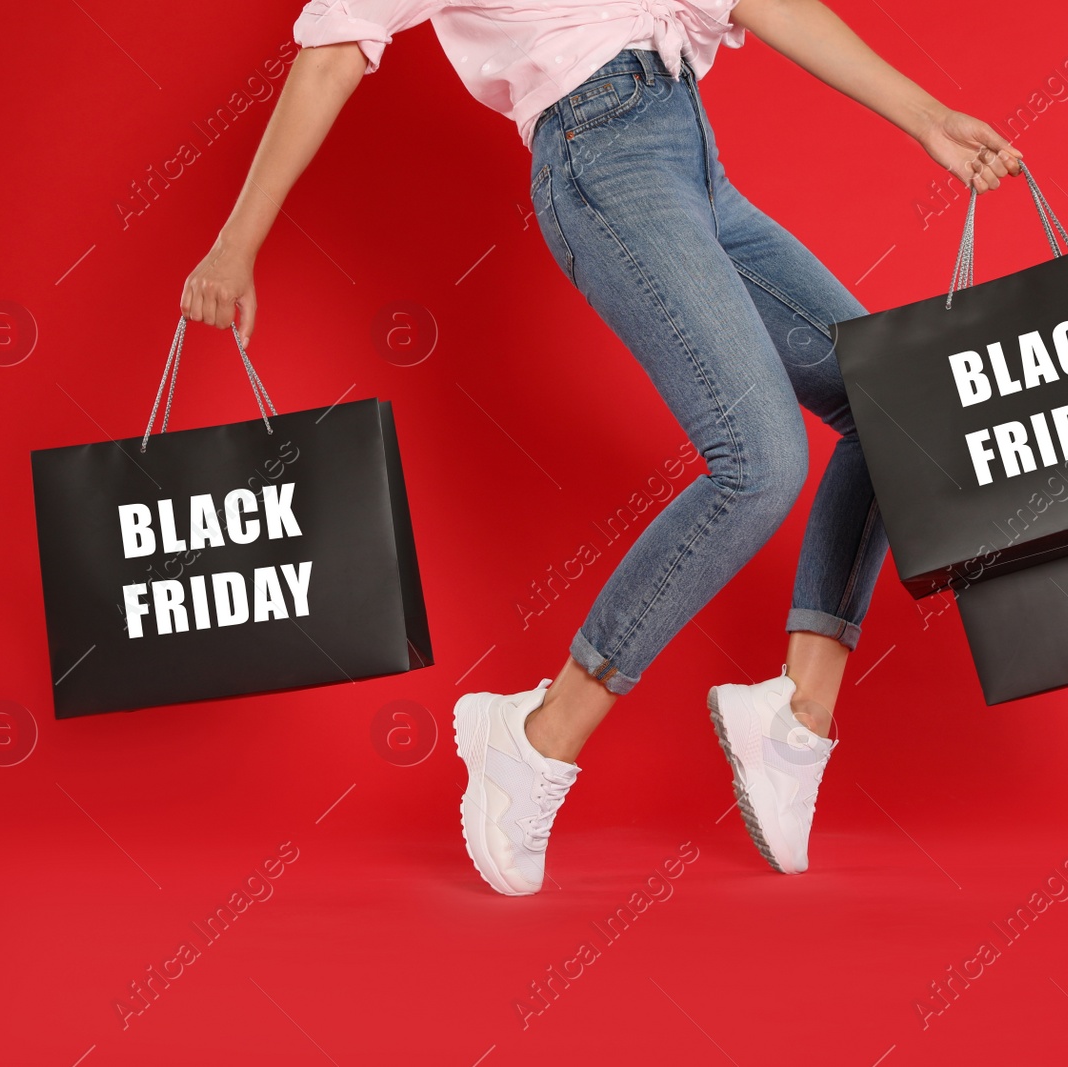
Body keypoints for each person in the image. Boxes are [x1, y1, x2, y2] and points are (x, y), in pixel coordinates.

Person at [182, 0, 1024, 896]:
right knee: (759, 462)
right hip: (602, 155)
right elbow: (335, 49)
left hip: (691, 148)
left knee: (892, 405)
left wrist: (929, 118)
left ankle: (797, 716)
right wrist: (236, 246)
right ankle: (539, 735)